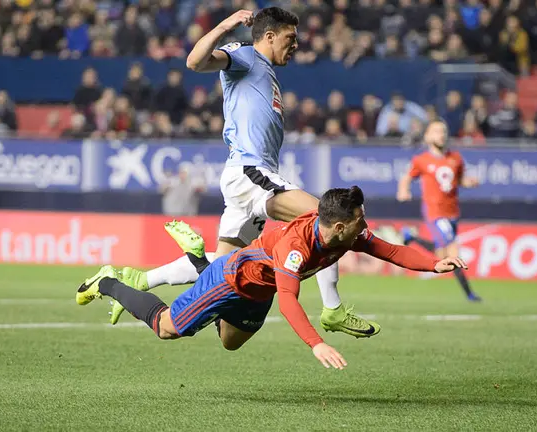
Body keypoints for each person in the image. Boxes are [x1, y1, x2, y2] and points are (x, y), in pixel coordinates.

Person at [108, 7, 379, 338]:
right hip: (249, 173)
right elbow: (194, 62)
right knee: (325, 215)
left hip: (250, 183)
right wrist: (225, 25)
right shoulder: (244, 56)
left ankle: (147, 278)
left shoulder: (266, 72)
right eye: (290, 38)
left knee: (229, 307)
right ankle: (332, 308)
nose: (296, 45)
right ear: (269, 36)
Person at [76, 187, 467, 369]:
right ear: (338, 227)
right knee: (167, 329)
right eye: (360, 220)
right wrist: (315, 344)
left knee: (229, 343)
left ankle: (197, 260)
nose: (366, 225)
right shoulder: (297, 246)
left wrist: (434, 264)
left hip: (255, 292)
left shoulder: (348, 233)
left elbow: (392, 250)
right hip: (232, 281)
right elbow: (289, 301)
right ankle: (108, 281)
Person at [396, 120, 482, 302]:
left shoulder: (456, 158)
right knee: (453, 253)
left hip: (452, 212)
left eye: (443, 131)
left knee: (441, 255)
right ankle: (470, 294)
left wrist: (470, 182)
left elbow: (459, 181)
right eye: (436, 131)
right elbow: (406, 178)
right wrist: (404, 190)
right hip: (434, 212)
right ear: (427, 136)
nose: (441, 134)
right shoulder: (421, 161)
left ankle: (411, 237)